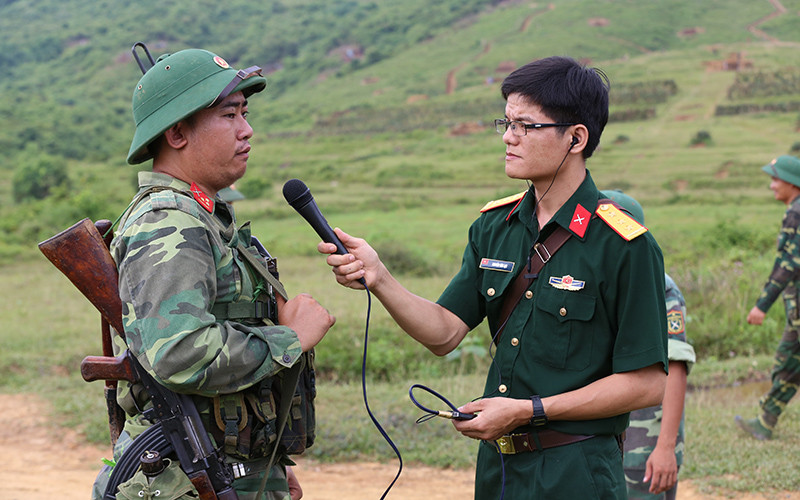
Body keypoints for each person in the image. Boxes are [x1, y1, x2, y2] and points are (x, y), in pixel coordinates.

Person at [318, 56, 668, 499]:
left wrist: (529, 410)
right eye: (505, 123)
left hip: (576, 470)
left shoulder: (622, 245)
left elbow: (648, 382)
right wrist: (380, 276)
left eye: (525, 126)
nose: (508, 137)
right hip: (499, 468)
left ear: (576, 138)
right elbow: (444, 333)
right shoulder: (494, 227)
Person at [91, 46, 335, 500]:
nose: (247, 131)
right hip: (186, 480)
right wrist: (292, 339)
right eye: (229, 115)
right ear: (178, 132)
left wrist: (266, 462)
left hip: (225, 470)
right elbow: (180, 352)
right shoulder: (169, 222)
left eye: (245, 113)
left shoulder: (204, 218)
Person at [602, 190, 696, 500]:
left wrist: (665, 447)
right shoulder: (596, 280)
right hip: (602, 439)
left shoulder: (662, 289)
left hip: (646, 442)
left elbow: (676, 368)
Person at [737, 154, 800, 441]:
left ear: (791, 182)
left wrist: (762, 305)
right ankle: (766, 419)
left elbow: (790, 262)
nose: (772, 186)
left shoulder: (796, 212)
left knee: (787, 360)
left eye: (775, 179)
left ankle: (766, 419)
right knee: (789, 363)